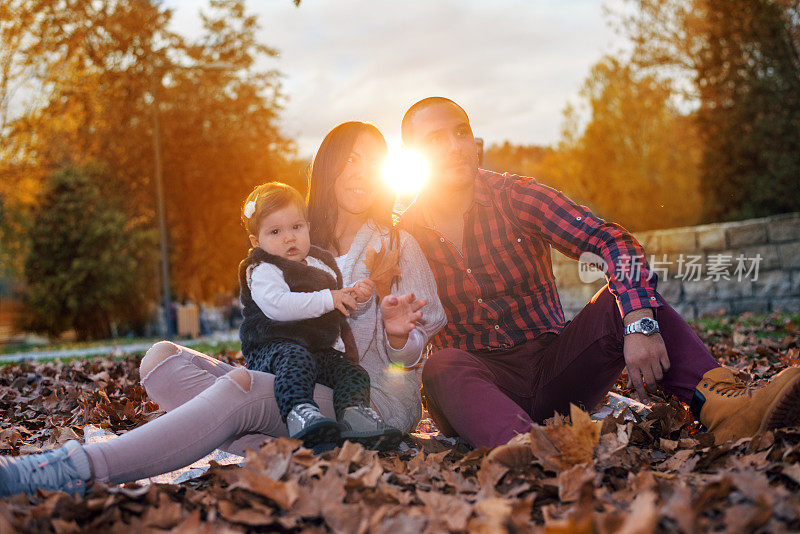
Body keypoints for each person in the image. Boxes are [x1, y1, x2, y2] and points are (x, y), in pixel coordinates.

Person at [0, 121, 446, 497]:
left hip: (368, 399)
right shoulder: (295, 239)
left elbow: (409, 359)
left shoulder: (396, 244)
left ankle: (74, 468)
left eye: (373, 159)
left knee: (243, 386)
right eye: (351, 158)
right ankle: (288, 449)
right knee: (161, 359)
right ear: (327, 168)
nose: (362, 170)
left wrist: (398, 338)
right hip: (300, 380)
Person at [399, 96, 800, 449]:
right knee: (442, 365)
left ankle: (727, 409)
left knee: (626, 298)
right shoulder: (401, 237)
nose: (454, 147)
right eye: (435, 140)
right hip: (479, 386)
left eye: (460, 132)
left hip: (556, 367)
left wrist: (639, 321)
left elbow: (612, 242)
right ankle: (528, 451)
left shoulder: (514, 197)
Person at [237, 180, 400, 449]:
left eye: (296, 227)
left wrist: (351, 294)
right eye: (275, 231)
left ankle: (354, 415)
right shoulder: (263, 268)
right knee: (295, 359)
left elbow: (330, 300)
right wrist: (329, 298)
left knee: (352, 372)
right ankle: (300, 413)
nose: (289, 237)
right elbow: (279, 305)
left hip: (315, 349)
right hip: (271, 349)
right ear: (257, 241)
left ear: (308, 227)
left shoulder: (317, 261)